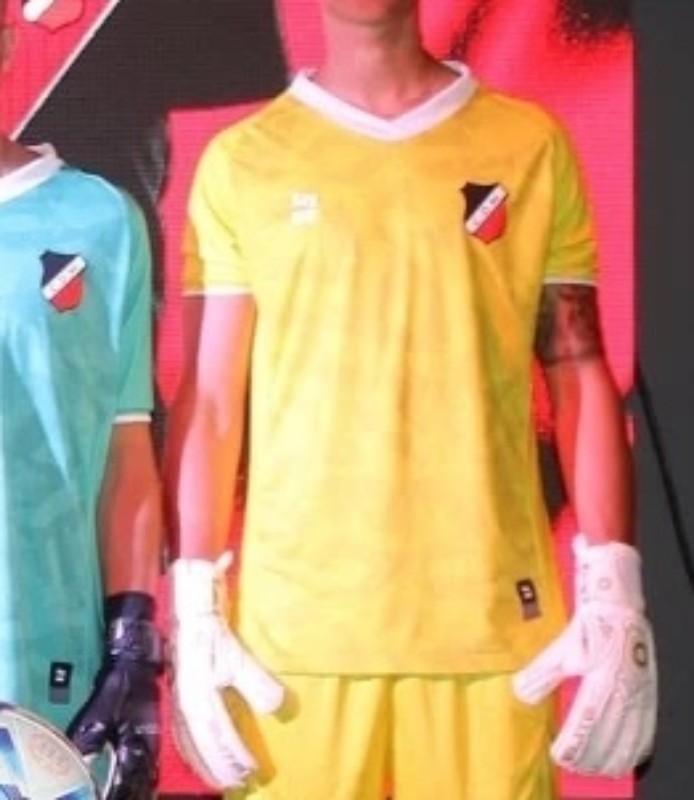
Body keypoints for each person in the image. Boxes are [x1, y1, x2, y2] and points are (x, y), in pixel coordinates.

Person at [164, 1, 656, 798]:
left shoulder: (530, 144)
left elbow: (578, 367)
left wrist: (615, 586)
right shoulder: (242, 160)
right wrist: (193, 607)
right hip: (294, 650)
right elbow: (212, 400)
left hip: (493, 636)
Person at [0, 2, 164, 797]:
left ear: (6, 42)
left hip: (45, 686)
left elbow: (126, 454)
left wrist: (132, 645)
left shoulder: (100, 221)